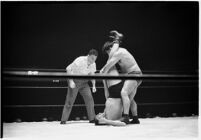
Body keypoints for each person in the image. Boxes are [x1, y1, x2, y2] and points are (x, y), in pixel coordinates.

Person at [101, 32, 142, 124]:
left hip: (134, 74)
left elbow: (108, 66)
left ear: (111, 49)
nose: (108, 55)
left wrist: (102, 72)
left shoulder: (118, 53)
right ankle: (135, 118)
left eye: (108, 52)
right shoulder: (122, 51)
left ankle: (126, 117)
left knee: (123, 93)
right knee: (130, 98)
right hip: (136, 75)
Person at [60, 49, 98, 124]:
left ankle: (92, 119)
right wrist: (71, 81)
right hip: (74, 80)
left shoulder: (93, 64)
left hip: (84, 82)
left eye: (95, 59)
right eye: (92, 58)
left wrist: (94, 85)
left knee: (90, 99)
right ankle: (63, 120)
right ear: (88, 56)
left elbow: (92, 74)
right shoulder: (80, 60)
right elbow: (68, 68)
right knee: (70, 101)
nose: (93, 61)